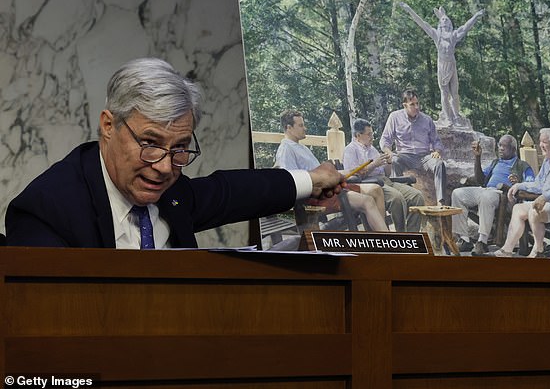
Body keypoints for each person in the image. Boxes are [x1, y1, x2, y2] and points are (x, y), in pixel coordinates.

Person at [5, 58, 345, 249]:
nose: (165, 168)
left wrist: (312, 180)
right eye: (150, 144)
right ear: (109, 126)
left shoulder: (173, 193)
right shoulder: (47, 209)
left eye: (180, 148)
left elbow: (231, 192)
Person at [276, 110, 388, 231]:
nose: (305, 128)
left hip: (330, 187)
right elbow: (293, 182)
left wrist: (352, 170)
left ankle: (377, 236)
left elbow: (322, 174)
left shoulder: (301, 147)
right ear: (288, 128)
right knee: (367, 201)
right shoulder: (286, 149)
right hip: (318, 196)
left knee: (375, 190)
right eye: (301, 125)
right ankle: (383, 240)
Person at [493, 128, 550, 258]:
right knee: (518, 208)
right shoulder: (547, 161)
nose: (541, 145)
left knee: (534, 211)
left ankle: (538, 250)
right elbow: (538, 184)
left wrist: (545, 197)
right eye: (540, 142)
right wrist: (519, 185)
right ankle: (507, 249)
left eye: (544, 142)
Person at [399, 2, 484, 128]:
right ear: (440, 23)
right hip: (442, 65)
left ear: (449, 23)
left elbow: (465, 27)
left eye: (446, 19)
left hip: (452, 65)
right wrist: (409, 9)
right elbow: (422, 23)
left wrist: (476, 16)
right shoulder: (436, 35)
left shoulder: (453, 35)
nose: (444, 21)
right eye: (442, 19)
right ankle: (447, 117)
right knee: (444, 93)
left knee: (454, 93)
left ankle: (456, 116)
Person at [451, 134, 535, 256]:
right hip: (486, 190)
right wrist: (477, 158)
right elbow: (480, 179)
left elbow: (531, 184)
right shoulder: (495, 163)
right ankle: (464, 239)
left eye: (504, 146)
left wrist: (519, 183)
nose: (500, 148)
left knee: (487, 197)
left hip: (504, 196)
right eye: (499, 145)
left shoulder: (523, 166)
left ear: (513, 149)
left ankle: (482, 241)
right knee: (457, 194)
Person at [343, 118, 424, 232]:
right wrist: (373, 165)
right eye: (369, 134)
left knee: (417, 196)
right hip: (371, 184)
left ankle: (412, 234)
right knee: (397, 198)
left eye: (372, 134)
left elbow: (387, 173)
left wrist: (389, 162)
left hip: (386, 181)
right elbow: (352, 175)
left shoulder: (372, 149)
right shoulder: (350, 150)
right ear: (358, 135)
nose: (372, 137)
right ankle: (401, 235)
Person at [379, 89, 448, 205]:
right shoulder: (395, 117)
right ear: (404, 105)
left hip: (424, 157)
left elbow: (436, 141)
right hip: (404, 155)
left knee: (439, 164)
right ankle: (400, 199)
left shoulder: (427, 119)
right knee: (395, 160)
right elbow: (385, 140)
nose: (416, 107)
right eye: (412, 104)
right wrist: (388, 151)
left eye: (417, 103)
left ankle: (441, 201)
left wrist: (437, 151)